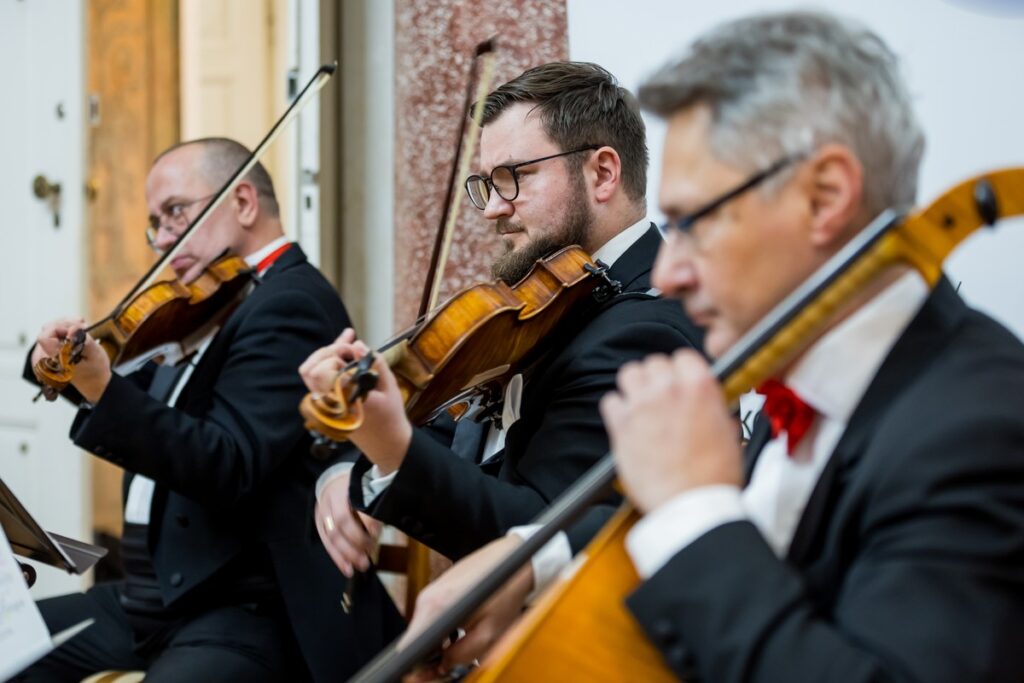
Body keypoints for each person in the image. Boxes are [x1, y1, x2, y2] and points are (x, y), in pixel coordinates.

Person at [398, 10, 1024, 682]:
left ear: (825, 197)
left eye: (696, 222)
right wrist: (529, 558)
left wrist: (691, 508)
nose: (668, 271)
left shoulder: (976, 423)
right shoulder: (803, 388)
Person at [301, 62, 701, 589]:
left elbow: (541, 537)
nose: (491, 209)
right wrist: (350, 466)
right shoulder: (546, 305)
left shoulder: (646, 327)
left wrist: (394, 451)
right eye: (485, 184)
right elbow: (452, 428)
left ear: (603, 173)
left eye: (514, 177)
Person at [19, 138, 401, 682]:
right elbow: (149, 400)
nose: (164, 239)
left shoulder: (289, 302)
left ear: (243, 201)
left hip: (235, 611)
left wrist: (104, 389)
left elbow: (229, 462)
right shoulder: (207, 305)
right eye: (156, 223)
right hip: (148, 604)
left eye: (176, 212)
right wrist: (61, 366)